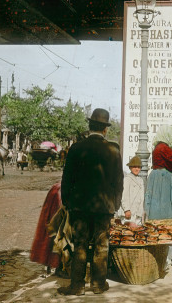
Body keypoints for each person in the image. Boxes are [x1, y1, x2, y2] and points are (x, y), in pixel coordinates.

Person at [58, 108, 123, 296]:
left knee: (79, 245)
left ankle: (77, 286)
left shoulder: (76, 148)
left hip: (79, 206)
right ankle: (98, 284)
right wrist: (115, 204)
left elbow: (66, 178)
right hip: (104, 207)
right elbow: (118, 181)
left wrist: (67, 201)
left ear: (90, 126)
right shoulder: (113, 150)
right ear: (105, 129)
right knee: (102, 245)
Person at [118, 156, 145, 225]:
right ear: (130, 168)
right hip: (129, 212)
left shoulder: (140, 180)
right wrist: (126, 209)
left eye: (139, 167)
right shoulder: (127, 179)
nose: (137, 169)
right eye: (134, 167)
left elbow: (142, 197)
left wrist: (141, 211)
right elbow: (124, 195)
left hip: (137, 212)